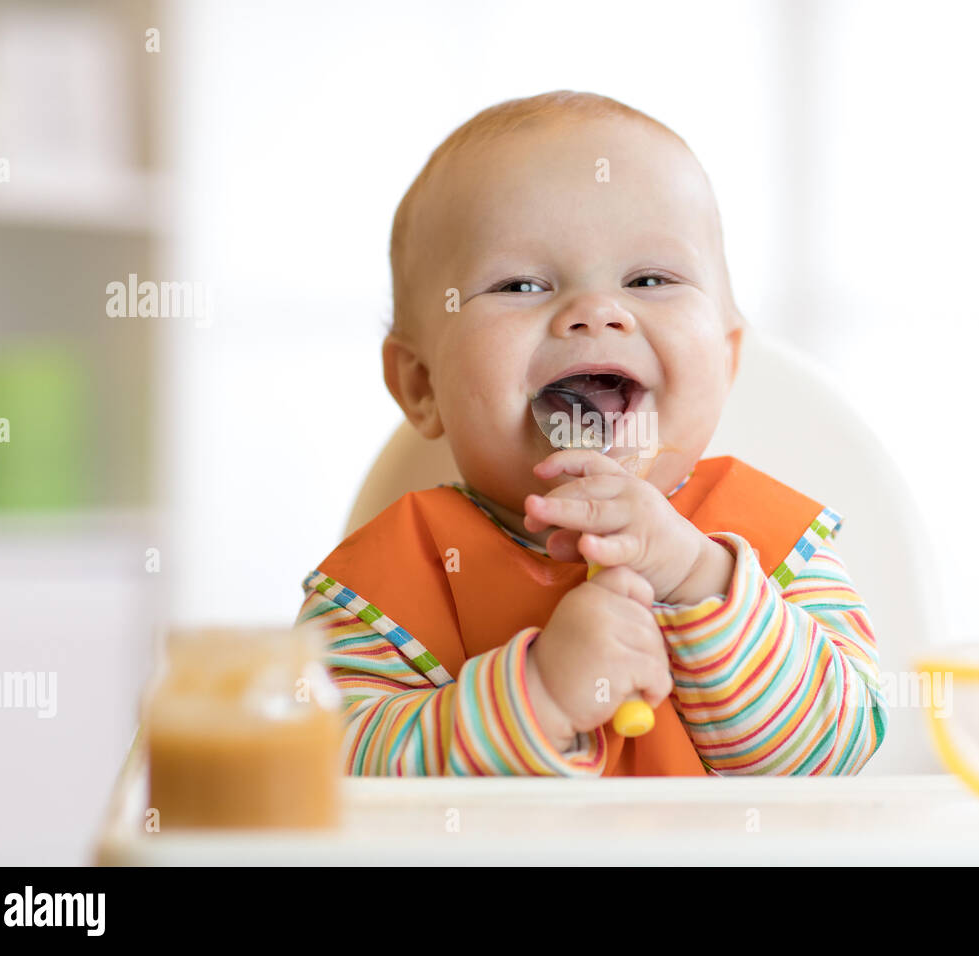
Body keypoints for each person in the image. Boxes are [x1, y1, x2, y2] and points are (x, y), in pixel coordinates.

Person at [295, 90, 887, 776]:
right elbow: (326, 773)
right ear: (422, 384)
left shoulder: (778, 550)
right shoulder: (387, 587)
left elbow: (836, 750)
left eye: (649, 278)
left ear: (726, 361)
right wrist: (536, 698)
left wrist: (696, 579)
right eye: (519, 286)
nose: (596, 312)